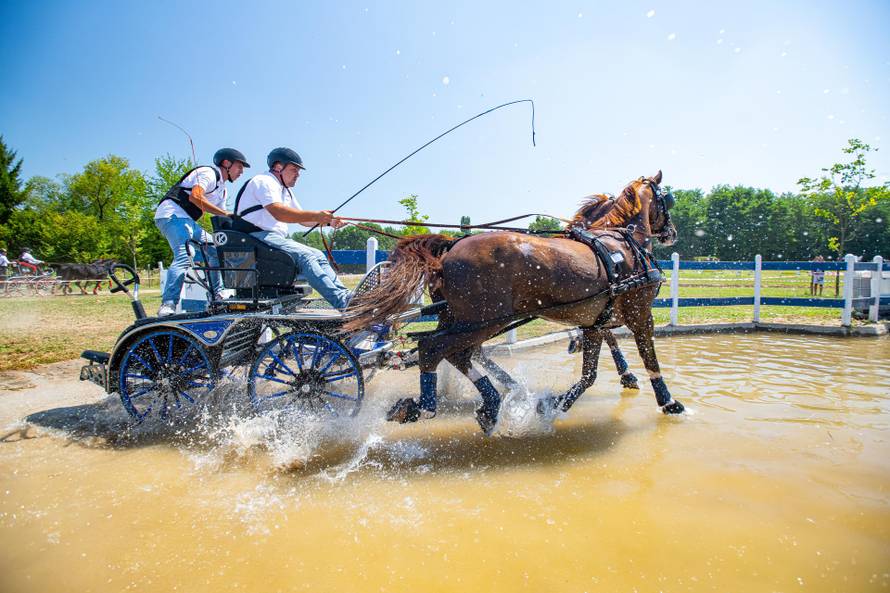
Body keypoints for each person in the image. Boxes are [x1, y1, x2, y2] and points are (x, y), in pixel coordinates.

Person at [232, 147, 352, 309]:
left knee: (317, 254)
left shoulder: (284, 190)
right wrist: (317, 215)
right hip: (255, 238)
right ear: (278, 167)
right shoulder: (264, 181)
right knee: (305, 256)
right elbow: (279, 212)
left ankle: (346, 295)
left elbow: (302, 219)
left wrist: (329, 222)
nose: (298, 174)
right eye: (294, 169)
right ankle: (342, 301)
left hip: (270, 239)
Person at [154, 148, 249, 317]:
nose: (241, 171)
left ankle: (217, 295)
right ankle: (168, 304)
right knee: (184, 256)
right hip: (171, 215)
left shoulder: (223, 189)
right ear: (226, 163)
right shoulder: (208, 173)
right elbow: (195, 197)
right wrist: (225, 214)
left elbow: (223, 218)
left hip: (189, 222)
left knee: (215, 250)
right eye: (240, 166)